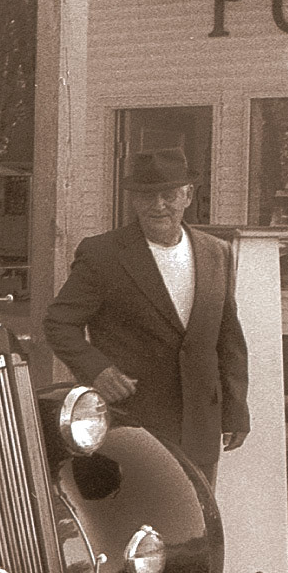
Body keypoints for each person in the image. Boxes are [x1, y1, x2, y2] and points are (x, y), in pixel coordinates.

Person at [43, 147, 249, 485]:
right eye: (146, 196)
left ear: (188, 195)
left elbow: (228, 337)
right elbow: (59, 322)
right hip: (133, 420)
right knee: (138, 520)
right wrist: (97, 370)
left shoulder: (217, 252)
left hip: (200, 422)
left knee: (198, 518)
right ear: (133, 200)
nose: (158, 205)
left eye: (168, 195)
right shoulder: (102, 254)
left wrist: (235, 409)